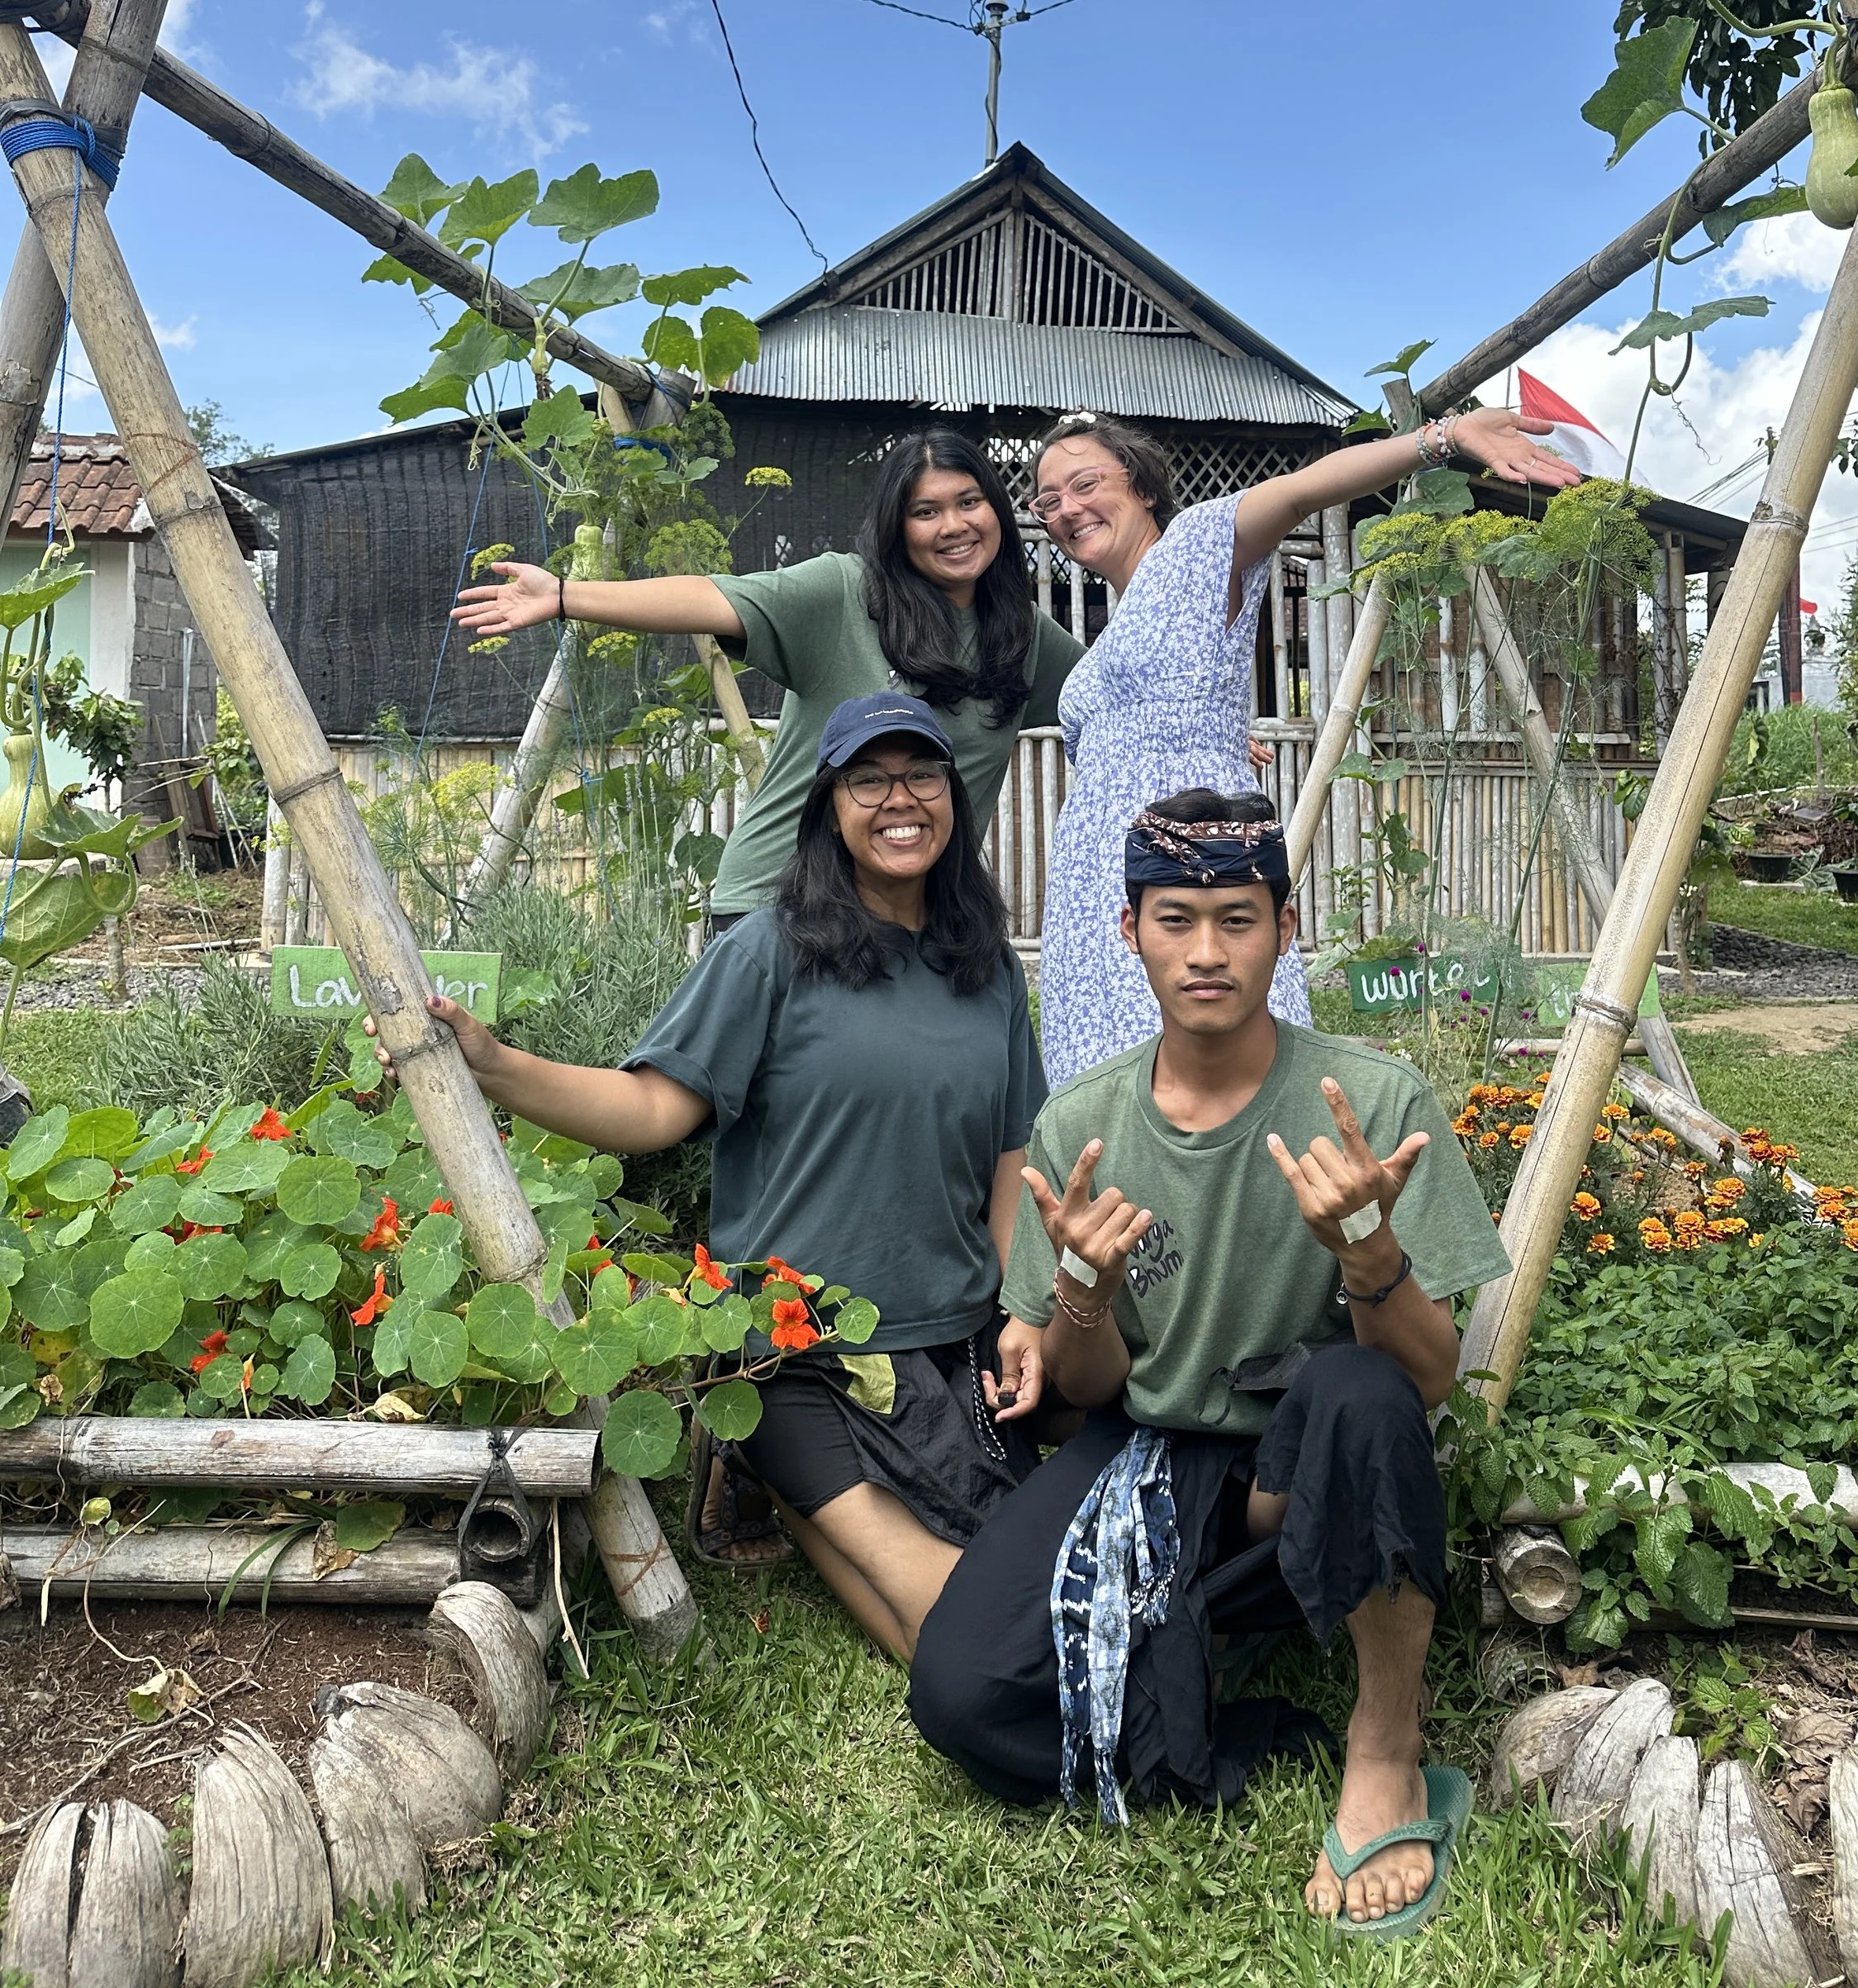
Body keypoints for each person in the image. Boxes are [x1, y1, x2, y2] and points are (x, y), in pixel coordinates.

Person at [908, 789, 1511, 1942]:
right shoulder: (1084, 1124)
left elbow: (1431, 1378)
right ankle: (1217, 1711)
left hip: (1311, 1475)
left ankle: (1385, 1746)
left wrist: (1367, 1251)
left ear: (1287, 929)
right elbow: (1088, 1391)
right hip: (1147, 1453)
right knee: (961, 1697)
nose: (1206, 951)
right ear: (1126, 930)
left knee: (1364, 1384)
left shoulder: (1373, 1103)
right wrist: (1081, 1290)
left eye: (1237, 918)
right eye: (1175, 918)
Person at [379, 692, 1048, 1662]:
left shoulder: (986, 970)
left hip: (950, 1343)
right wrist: (495, 1064)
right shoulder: (771, 952)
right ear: (828, 807)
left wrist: (1015, 1312)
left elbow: (1009, 1157)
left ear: (954, 796)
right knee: (960, 1627)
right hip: (786, 1349)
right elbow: (651, 1109)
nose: (899, 799)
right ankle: (766, 1463)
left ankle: (776, 1490)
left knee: (1017, 1556)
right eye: (868, 778)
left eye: (922, 775)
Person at [1029, 405, 1580, 1086]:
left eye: (1085, 484)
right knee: (1107, 1099)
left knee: (1218, 1082)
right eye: (1048, 500)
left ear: (1140, 484)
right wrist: (1226, 736)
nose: (1067, 509)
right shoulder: (1112, 634)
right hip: (1095, 893)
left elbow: (1302, 489)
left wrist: (1438, 439)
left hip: (1190, 873)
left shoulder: (1195, 544)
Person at [451, 429, 1081, 930]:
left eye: (970, 501)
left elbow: (1126, 690)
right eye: (926, 510)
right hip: (784, 909)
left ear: (998, 509)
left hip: (918, 917)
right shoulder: (845, 593)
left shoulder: (1020, 636)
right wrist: (565, 595)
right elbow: (710, 598)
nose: (954, 525)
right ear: (898, 526)